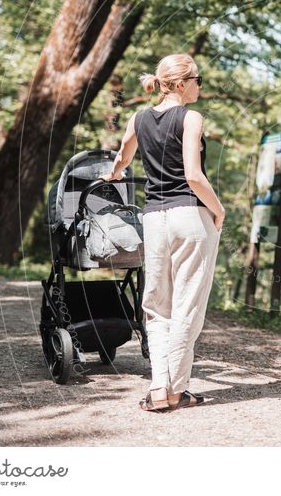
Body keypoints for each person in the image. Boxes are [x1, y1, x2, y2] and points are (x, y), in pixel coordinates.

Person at [98, 53, 224, 412]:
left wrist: (116, 173)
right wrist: (219, 209)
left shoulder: (139, 118)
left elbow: (122, 155)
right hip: (190, 217)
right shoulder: (191, 117)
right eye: (198, 80)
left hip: (153, 218)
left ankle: (157, 388)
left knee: (156, 306)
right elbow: (194, 176)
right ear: (182, 84)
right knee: (187, 306)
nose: (201, 86)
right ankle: (177, 390)